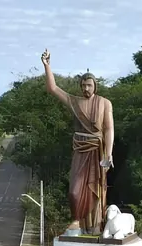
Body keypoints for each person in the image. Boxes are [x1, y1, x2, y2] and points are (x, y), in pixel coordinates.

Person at [41, 49, 115, 236]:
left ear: (95, 86)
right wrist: (47, 66)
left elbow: (108, 129)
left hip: (97, 150)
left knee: (95, 188)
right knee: (74, 191)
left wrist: (108, 154)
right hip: (80, 149)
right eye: (83, 85)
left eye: (89, 85)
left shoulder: (104, 103)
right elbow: (53, 89)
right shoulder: (75, 102)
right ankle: (76, 221)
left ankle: (94, 224)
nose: (86, 88)